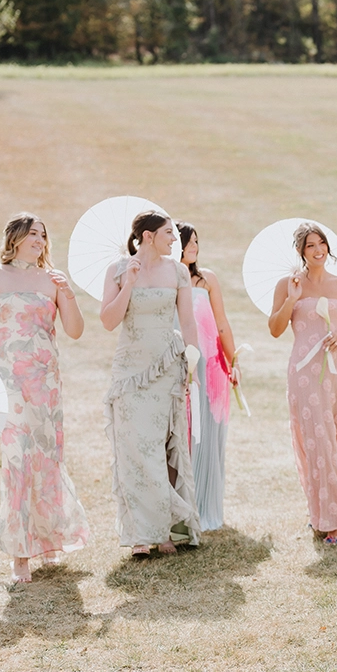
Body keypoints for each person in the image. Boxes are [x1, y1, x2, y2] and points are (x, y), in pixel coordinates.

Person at [0, 213, 90, 583]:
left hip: (45, 383)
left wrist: (67, 292)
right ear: (15, 238)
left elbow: (75, 330)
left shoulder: (51, 279)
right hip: (4, 381)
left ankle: (49, 539)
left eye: (43, 234)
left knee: (47, 459)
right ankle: (20, 553)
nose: (40, 239)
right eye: (33, 233)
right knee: (18, 460)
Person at [100, 210, 202, 556]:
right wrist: (128, 282)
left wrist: (193, 361)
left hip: (165, 369)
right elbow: (108, 321)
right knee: (133, 451)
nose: (175, 239)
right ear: (147, 236)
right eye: (169, 233)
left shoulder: (176, 271)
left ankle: (163, 533)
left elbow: (187, 321)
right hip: (130, 373)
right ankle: (140, 536)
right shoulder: (117, 269)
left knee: (158, 449)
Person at [269, 222, 337, 546]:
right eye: (310, 245)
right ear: (301, 251)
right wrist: (291, 299)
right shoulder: (288, 284)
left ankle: (325, 509)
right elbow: (275, 329)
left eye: (322, 243)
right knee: (315, 441)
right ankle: (330, 520)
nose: (318, 249)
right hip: (305, 374)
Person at [177, 222, 240, 532]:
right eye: (188, 241)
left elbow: (222, 322)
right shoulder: (167, 281)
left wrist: (233, 360)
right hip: (182, 366)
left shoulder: (207, 279)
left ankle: (208, 508)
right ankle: (182, 507)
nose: (194, 247)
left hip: (212, 365)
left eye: (197, 242)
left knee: (210, 437)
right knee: (186, 433)